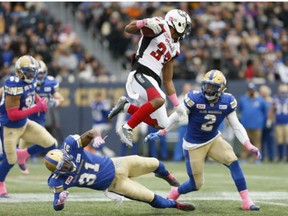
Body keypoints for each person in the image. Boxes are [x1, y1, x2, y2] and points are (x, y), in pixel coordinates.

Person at [145, 70, 261, 211]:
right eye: (207, 86)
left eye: (213, 87)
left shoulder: (228, 100)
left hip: (213, 139)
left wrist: (249, 145)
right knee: (196, 185)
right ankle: (176, 191)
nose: (208, 90)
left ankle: (246, 201)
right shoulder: (194, 98)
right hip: (193, 145)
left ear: (222, 89)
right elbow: (177, 116)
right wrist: (161, 132)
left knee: (233, 160)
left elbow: (236, 125)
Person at [44, 128, 195, 212]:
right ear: (58, 172)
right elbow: (57, 206)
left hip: (117, 164)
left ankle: (166, 175)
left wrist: (96, 137)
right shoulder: (57, 180)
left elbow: (92, 132)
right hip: (115, 185)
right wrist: (61, 201)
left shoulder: (71, 146)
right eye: (63, 167)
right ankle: (175, 205)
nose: (67, 166)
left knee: (154, 162)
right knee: (150, 197)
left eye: (65, 162)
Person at [108, 9, 192, 147]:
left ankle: (126, 107)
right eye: (185, 27)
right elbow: (128, 29)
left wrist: (177, 106)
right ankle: (127, 127)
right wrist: (144, 22)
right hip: (140, 73)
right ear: (177, 23)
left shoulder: (175, 47)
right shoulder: (160, 26)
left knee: (162, 124)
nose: (185, 32)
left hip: (153, 80)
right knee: (159, 99)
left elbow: (167, 80)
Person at [0, 55, 57, 197]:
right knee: (10, 160)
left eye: (33, 71)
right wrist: (37, 107)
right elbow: (13, 115)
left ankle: (23, 154)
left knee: (51, 144)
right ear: (19, 71)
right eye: (29, 71)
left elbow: (32, 91)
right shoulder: (13, 85)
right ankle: (0, 183)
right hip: (9, 127)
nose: (32, 74)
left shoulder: (30, 81)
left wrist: (39, 100)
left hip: (25, 123)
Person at [18, 59, 64, 173]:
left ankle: (21, 156)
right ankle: (22, 156)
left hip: (39, 119)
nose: (40, 76)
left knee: (20, 151)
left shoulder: (50, 82)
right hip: (26, 118)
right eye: (38, 74)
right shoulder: (27, 83)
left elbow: (60, 98)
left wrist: (55, 102)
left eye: (42, 74)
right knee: (50, 144)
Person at [238, 82, 266, 163]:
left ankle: (257, 158)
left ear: (255, 90)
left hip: (257, 125)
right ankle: (244, 158)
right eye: (250, 90)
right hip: (245, 125)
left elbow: (264, 111)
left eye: (252, 90)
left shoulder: (260, 100)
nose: (251, 91)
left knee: (257, 142)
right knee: (245, 142)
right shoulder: (243, 99)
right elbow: (240, 110)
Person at [88, 92, 115, 157]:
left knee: (97, 138)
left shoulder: (104, 104)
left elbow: (109, 114)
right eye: (97, 97)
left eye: (99, 97)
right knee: (94, 139)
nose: (98, 98)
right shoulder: (94, 103)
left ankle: (98, 152)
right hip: (96, 124)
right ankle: (105, 151)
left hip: (103, 124)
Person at [267, 83, 288, 162]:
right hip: (278, 122)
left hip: (287, 122)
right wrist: (269, 119)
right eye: (282, 92)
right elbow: (272, 110)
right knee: (279, 140)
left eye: (284, 92)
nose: (283, 93)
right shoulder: (276, 99)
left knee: (287, 140)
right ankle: (280, 156)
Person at [259, 85, 274, 162]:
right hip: (260, 123)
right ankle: (262, 156)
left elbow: (273, 112)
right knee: (261, 140)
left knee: (270, 140)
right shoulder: (259, 100)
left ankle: (271, 156)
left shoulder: (271, 101)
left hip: (269, 123)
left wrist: (271, 120)